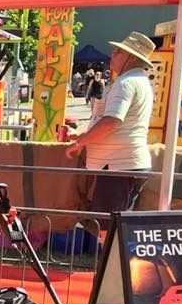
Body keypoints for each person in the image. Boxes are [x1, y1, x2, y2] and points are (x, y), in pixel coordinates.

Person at [66, 31, 155, 239]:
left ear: (131, 57)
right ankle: (111, 268)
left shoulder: (126, 83)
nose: (112, 55)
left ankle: (110, 270)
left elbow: (112, 121)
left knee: (109, 230)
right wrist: (83, 134)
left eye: (118, 51)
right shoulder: (137, 81)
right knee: (113, 226)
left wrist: (80, 142)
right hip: (123, 164)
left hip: (118, 166)